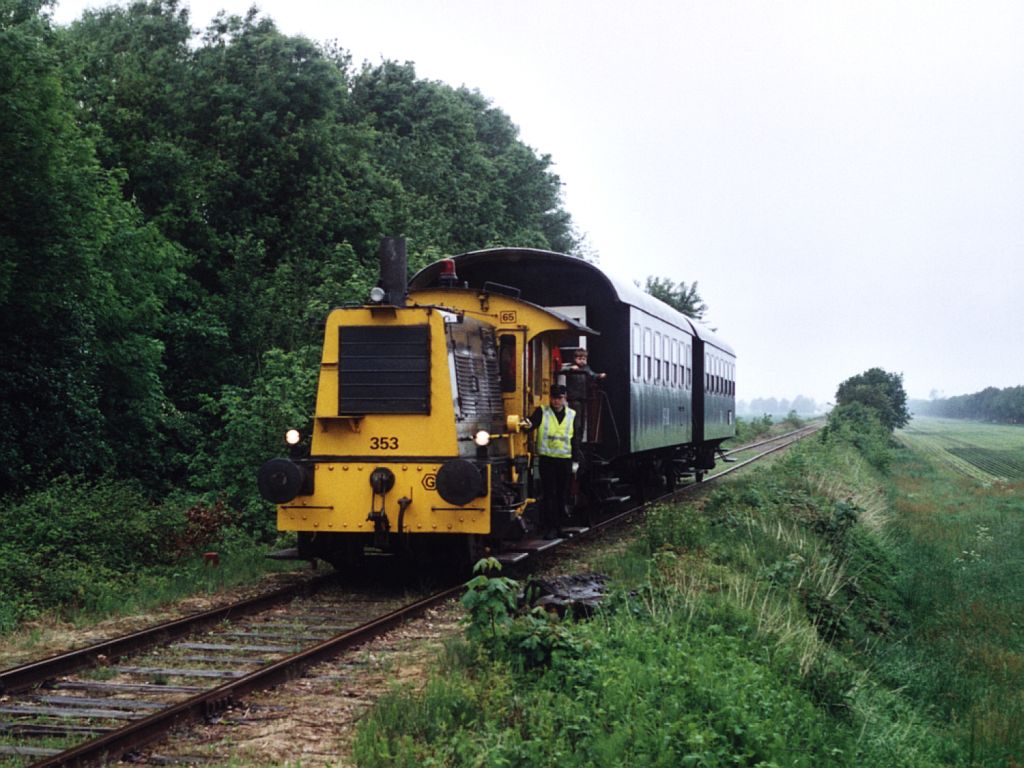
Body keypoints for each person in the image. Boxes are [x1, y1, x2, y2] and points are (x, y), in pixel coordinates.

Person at [522, 384, 580, 539]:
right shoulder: (542, 412)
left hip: (565, 461)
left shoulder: (572, 415)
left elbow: (575, 439)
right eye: (554, 398)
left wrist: (576, 460)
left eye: (559, 398)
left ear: (564, 398)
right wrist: (526, 424)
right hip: (547, 460)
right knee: (550, 494)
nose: (556, 401)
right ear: (550, 398)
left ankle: (560, 527)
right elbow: (531, 424)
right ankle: (551, 528)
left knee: (562, 494)